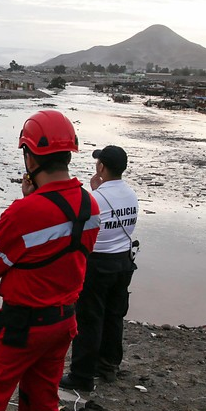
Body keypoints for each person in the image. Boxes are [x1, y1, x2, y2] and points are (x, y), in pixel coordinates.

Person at [0, 110, 100, 411]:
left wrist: (24, 202)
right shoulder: (91, 205)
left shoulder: (25, 212)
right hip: (62, 323)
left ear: (30, 156)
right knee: (42, 398)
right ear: (69, 153)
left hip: (21, 326)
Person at [60, 145, 139, 392]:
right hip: (124, 262)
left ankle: (82, 374)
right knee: (114, 315)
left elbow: (81, 231)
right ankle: (108, 366)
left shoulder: (94, 198)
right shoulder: (131, 194)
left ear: (101, 167)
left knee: (89, 318)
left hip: (98, 263)